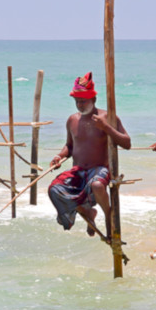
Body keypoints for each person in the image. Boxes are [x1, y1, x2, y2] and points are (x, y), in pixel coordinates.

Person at [48, 72, 131, 239]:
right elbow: (69, 146)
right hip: (78, 170)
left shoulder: (107, 117)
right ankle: (87, 212)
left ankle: (108, 216)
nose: (79, 104)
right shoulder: (72, 119)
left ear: (93, 100)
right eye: (77, 101)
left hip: (99, 169)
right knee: (55, 189)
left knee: (98, 186)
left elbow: (127, 143)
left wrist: (106, 127)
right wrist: (59, 156)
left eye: (83, 101)